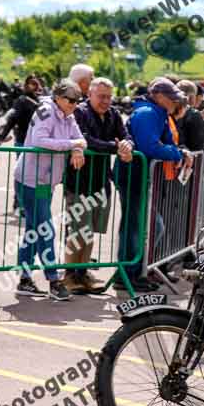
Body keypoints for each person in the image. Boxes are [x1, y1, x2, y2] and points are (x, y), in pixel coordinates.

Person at [13, 79, 87, 301]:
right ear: (58, 97)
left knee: (34, 231)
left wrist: (76, 146)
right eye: (70, 99)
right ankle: (54, 280)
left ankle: (25, 278)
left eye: (77, 100)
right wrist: (71, 145)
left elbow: (81, 140)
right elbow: (40, 140)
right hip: (30, 179)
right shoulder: (45, 111)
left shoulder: (69, 116)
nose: (74, 104)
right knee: (45, 229)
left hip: (45, 182)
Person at [120, 77, 193, 291]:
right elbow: (149, 146)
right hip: (133, 174)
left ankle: (132, 272)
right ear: (159, 97)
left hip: (140, 175)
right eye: (172, 98)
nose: (175, 103)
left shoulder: (157, 113)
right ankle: (128, 273)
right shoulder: (148, 113)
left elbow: (167, 143)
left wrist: (178, 151)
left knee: (140, 226)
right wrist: (177, 153)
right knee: (136, 227)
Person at [65, 77, 133, 295]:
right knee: (78, 230)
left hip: (102, 180)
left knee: (90, 231)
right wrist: (116, 147)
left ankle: (83, 273)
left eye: (108, 96)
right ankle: (68, 275)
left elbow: (126, 136)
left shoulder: (113, 114)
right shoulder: (81, 112)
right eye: (101, 96)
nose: (105, 100)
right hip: (79, 181)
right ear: (90, 95)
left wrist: (126, 145)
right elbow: (85, 141)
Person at [175, 80, 204, 152]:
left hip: (176, 154)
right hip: (188, 157)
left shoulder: (168, 110)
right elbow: (198, 144)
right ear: (192, 97)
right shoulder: (194, 113)